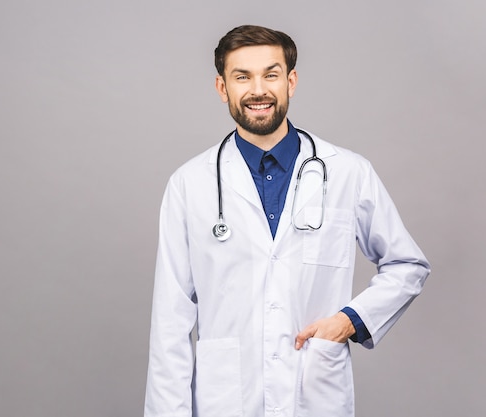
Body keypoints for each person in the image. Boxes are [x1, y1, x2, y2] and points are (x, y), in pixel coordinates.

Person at [144, 25, 430, 417]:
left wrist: (349, 321)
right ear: (221, 87)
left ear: (291, 81)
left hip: (314, 392)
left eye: (271, 74)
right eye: (242, 76)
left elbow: (407, 265)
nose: (258, 89)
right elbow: (170, 322)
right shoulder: (189, 184)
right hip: (226, 400)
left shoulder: (348, 172)